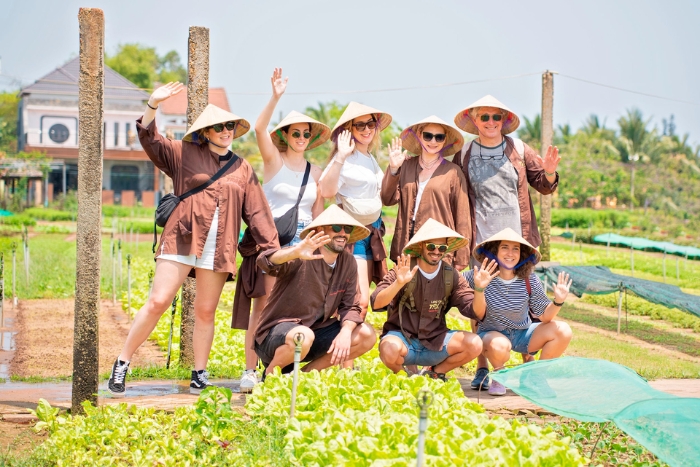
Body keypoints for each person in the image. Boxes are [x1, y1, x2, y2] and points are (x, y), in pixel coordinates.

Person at [108, 82, 279, 396]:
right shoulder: (183, 153)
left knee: (205, 311)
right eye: (219, 127)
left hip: (218, 248)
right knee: (158, 301)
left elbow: (258, 214)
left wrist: (274, 253)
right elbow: (151, 140)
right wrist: (153, 105)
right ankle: (122, 362)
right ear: (206, 132)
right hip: (181, 238)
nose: (226, 131)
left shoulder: (242, 168)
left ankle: (199, 373)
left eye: (229, 126)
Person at [452, 95, 562, 390]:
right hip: (482, 241)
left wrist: (549, 170)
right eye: (484, 117)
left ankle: (528, 363)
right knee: (481, 301)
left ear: (503, 120)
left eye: (495, 117)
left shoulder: (518, 149)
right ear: (474, 121)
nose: (490, 123)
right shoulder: (464, 152)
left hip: (517, 241)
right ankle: (483, 366)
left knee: (522, 298)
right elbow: (454, 191)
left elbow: (543, 182)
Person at [232, 68, 331, 393]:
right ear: (285, 135)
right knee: (265, 305)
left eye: (306, 134)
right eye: (295, 133)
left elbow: (318, 209)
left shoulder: (315, 171)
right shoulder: (274, 161)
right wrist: (275, 96)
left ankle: (281, 367)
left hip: (305, 244)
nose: (301, 138)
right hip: (275, 243)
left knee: (299, 307)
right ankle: (250, 370)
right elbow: (259, 128)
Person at [254, 205, 377, 375]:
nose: (342, 233)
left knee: (366, 334)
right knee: (303, 336)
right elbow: (265, 261)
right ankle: (270, 375)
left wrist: (346, 332)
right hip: (276, 336)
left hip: (314, 332)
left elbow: (350, 306)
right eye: (335, 228)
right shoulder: (302, 254)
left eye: (347, 228)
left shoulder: (348, 262)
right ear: (320, 230)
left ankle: (302, 376)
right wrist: (294, 252)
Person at [319, 102, 392, 367]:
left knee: (358, 298)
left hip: (371, 235)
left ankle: (344, 362)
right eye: (358, 125)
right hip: (350, 237)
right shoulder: (345, 157)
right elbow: (326, 191)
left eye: (370, 124)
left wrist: (394, 168)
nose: (365, 129)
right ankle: (342, 362)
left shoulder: (370, 158)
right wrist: (340, 156)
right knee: (357, 300)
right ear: (348, 129)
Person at [463, 228, 573, 396]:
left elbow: (545, 316)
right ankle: (499, 375)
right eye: (504, 247)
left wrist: (558, 301)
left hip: (523, 334)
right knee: (499, 345)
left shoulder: (530, 279)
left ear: (522, 254)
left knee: (563, 330)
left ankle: (534, 378)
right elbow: (452, 284)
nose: (510, 253)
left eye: (516, 248)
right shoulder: (478, 275)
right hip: (492, 335)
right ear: (494, 251)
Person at [371, 219, 484, 380]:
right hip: (403, 340)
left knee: (475, 344)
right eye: (431, 246)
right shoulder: (404, 268)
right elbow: (376, 302)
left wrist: (479, 289)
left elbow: (475, 312)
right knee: (388, 349)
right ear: (421, 246)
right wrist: (398, 283)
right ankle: (405, 377)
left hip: (435, 342)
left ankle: (435, 373)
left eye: (442, 248)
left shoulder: (450, 274)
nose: (436, 251)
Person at [382, 115, 470, 271]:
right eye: (428, 136)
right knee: (406, 291)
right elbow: (387, 199)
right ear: (419, 136)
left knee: (435, 293)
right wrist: (394, 169)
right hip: (407, 242)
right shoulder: (406, 165)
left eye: (439, 137)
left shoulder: (453, 172)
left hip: (438, 247)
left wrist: (462, 255)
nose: (433, 141)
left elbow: (462, 215)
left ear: (445, 140)